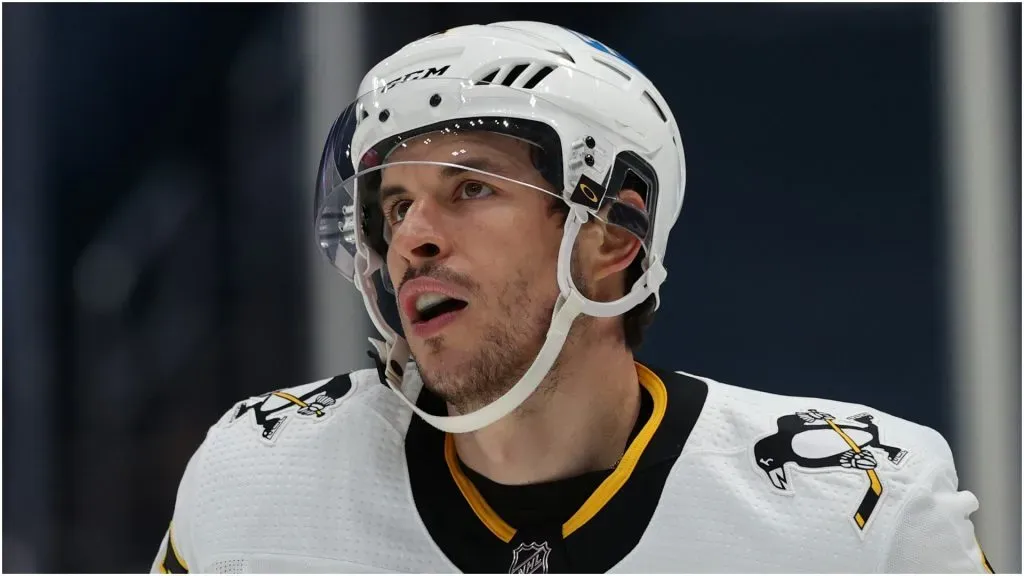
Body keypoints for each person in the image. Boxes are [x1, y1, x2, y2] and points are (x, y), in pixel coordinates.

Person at [152, 21, 993, 574]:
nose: (412, 238)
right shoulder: (261, 476)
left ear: (613, 234)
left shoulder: (854, 507)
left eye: (470, 189)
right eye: (394, 205)